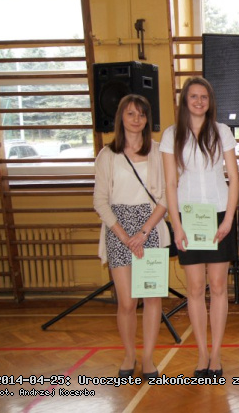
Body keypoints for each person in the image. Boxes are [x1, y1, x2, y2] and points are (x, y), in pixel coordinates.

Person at [161, 77, 239, 378]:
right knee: (194, 289)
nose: (198, 101)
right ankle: (202, 354)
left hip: (219, 215)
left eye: (203, 96)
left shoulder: (222, 132)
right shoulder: (172, 135)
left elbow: (234, 178)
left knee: (218, 287)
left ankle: (216, 355)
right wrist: (176, 226)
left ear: (210, 101)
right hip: (188, 217)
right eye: (193, 96)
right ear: (185, 100)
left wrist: (229, 219)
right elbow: (170, 183)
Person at [94, 94, 170, 380]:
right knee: (127, 302)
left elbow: (166, 197)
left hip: (150, 228)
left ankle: (148, 358)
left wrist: (143, 232)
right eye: (130, 113)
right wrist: (126, 236)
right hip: (118, 231)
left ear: (148, 119)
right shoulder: (107, 155)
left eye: (142, 114)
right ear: (121, 118)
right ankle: (129, 355)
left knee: (151, 299)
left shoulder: (159, 152)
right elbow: (100, 201)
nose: (136, 119)